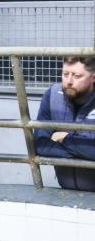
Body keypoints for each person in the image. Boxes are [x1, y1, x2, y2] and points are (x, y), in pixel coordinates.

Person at [34, 57, 95, 191]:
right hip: (66, 192)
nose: (69, 81)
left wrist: (64, 139)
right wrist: (84, 153)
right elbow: (40, 145)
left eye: (77, 76)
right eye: (65, 74)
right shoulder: (52, 95)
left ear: (93, 78)